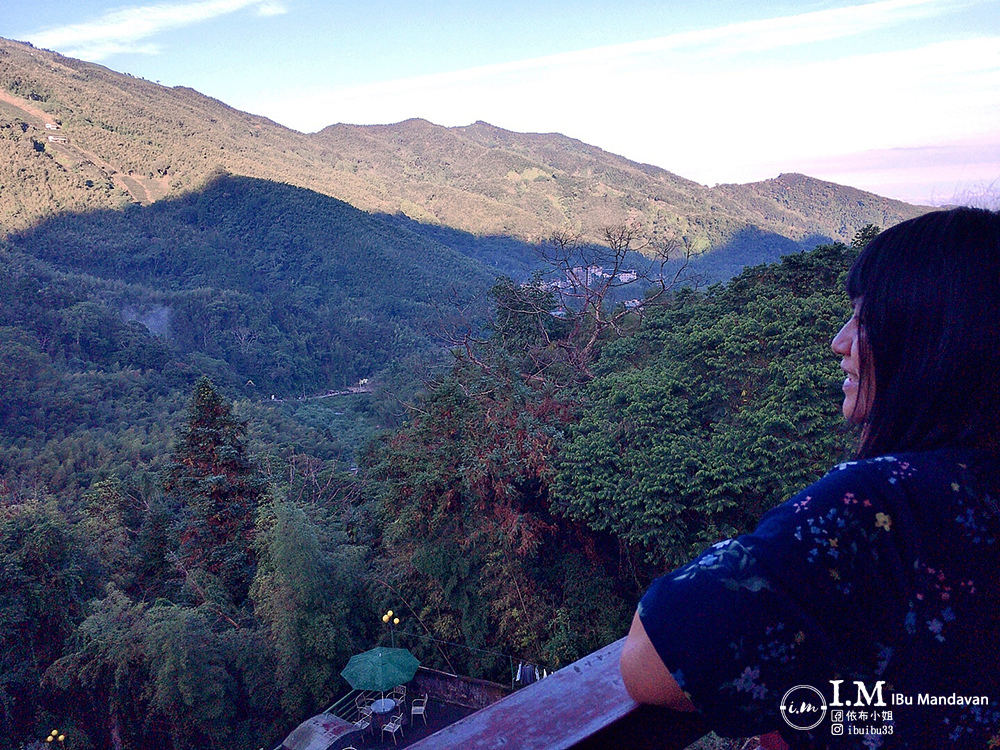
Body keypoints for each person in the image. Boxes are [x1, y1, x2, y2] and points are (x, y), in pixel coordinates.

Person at [620, 207, 1000, 748]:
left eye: (864, 320)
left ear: (936, 338)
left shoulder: (880, 505)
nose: (839, 343)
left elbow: (646, 663)